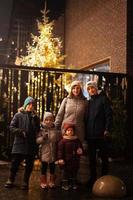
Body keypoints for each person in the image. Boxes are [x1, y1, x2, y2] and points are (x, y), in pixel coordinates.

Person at [5, 96, 40, 190]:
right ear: (25, 105)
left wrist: (34, 120)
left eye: (32, 104)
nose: (30, 106)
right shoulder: (18, 115)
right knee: (15, 163)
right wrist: (20, 132)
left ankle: (25, 181)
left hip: (30, 144)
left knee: (29, 164)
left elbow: (37, 129)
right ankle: (11, 179)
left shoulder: (35, 117)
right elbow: (11, 127)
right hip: (19, 143)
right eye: (29, 104)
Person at [85, 81, 113, 190]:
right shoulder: (89, 102)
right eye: (89, 89)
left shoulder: (103, 99)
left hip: (101, 135)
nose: (91, 90)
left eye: (92, 88)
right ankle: (93, 178)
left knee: (104, 158)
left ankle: (104, 178)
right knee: (91, 159)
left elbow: (109, 115)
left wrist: (107, 129)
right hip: (90, 135)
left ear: (96, 88)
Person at [56, 122, 83, 190]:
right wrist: (60, 158)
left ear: (73, 131)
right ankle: (65, 184)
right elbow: (60, 151)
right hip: (66, 161)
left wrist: (80, 150)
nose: (70, 132)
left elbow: (80, 147)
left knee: (74, 173)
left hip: (75, 160)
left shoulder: (77, 140)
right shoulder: (63, 141)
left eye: (71, 130)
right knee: (65, 173)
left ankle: (73, 183)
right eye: (68, 130)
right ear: (65, 132)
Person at [36, 112, 59, 189]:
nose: (48, 121)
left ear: (53, 120)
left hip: (53, 152)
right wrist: (43, 138)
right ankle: (43, 181)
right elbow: (37, 140)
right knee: (44, 167)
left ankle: (52, 181)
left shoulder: (55, 130)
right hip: (44, 152)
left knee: (52, 167)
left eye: (50, 119)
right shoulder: (41, 129)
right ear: (44, 120)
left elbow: (58, 139)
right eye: (46, 120)